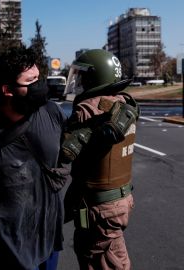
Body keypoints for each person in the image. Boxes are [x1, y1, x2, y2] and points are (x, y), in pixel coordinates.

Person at [0, 45, 68, 270]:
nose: (40, 85)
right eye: (31, 81)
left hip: (48, 233)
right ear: (7, 90)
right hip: (10, 241)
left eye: (39, 77)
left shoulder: (51, 112)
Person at [61, 49, 139, 270]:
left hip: (100, 207)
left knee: (104, 261)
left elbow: (65, 153)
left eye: (83, 76)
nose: (80, 81)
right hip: (118, 200)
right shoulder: (123, 103)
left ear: (94, 77)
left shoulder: (88, 109)